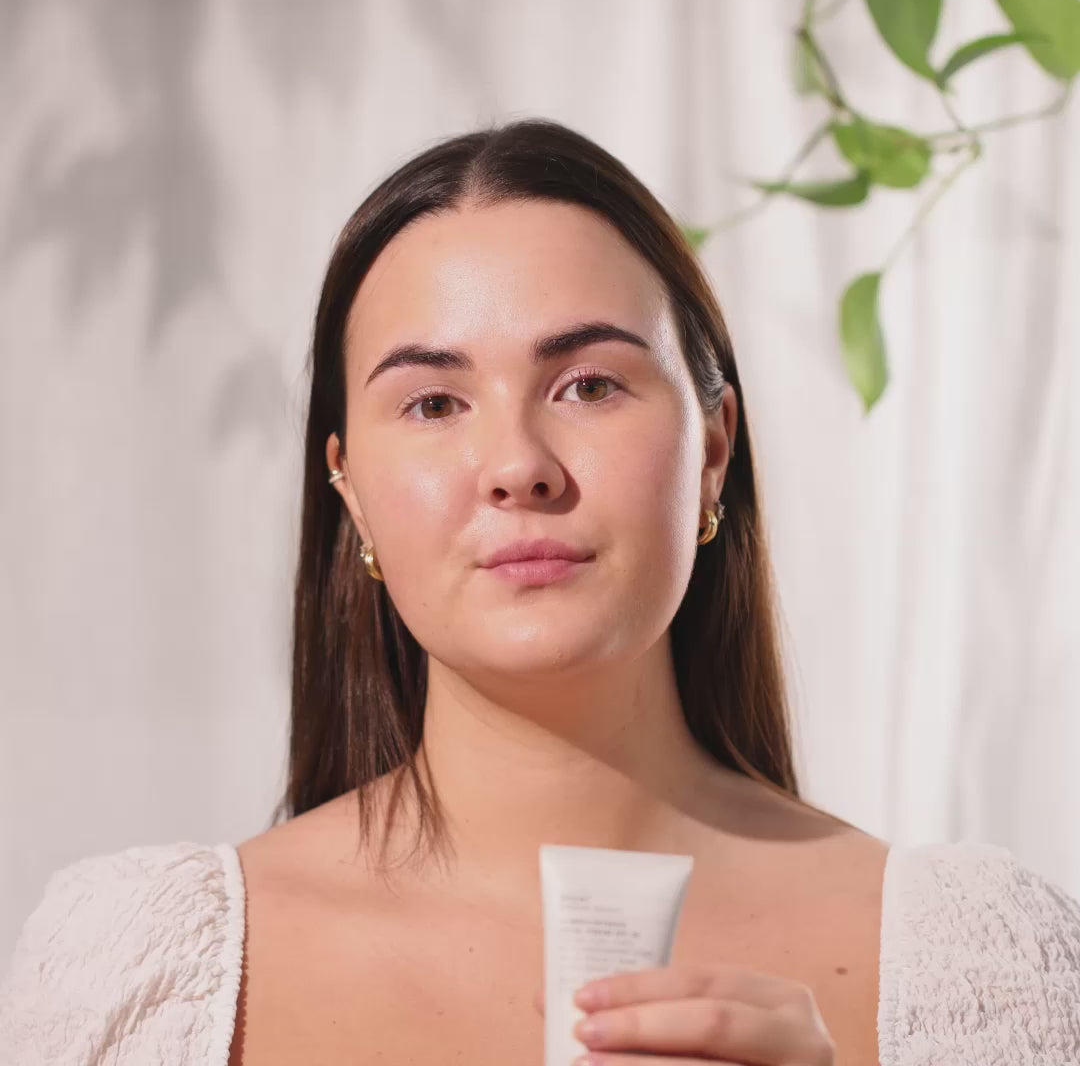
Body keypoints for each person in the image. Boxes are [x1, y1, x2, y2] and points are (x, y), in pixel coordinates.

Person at [2, 118, 1078, 1066]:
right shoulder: (139, 972)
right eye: (434, 403)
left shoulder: (977, 962)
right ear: (352, 491)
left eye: (590, 384)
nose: (517, 465)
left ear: (713, 450)